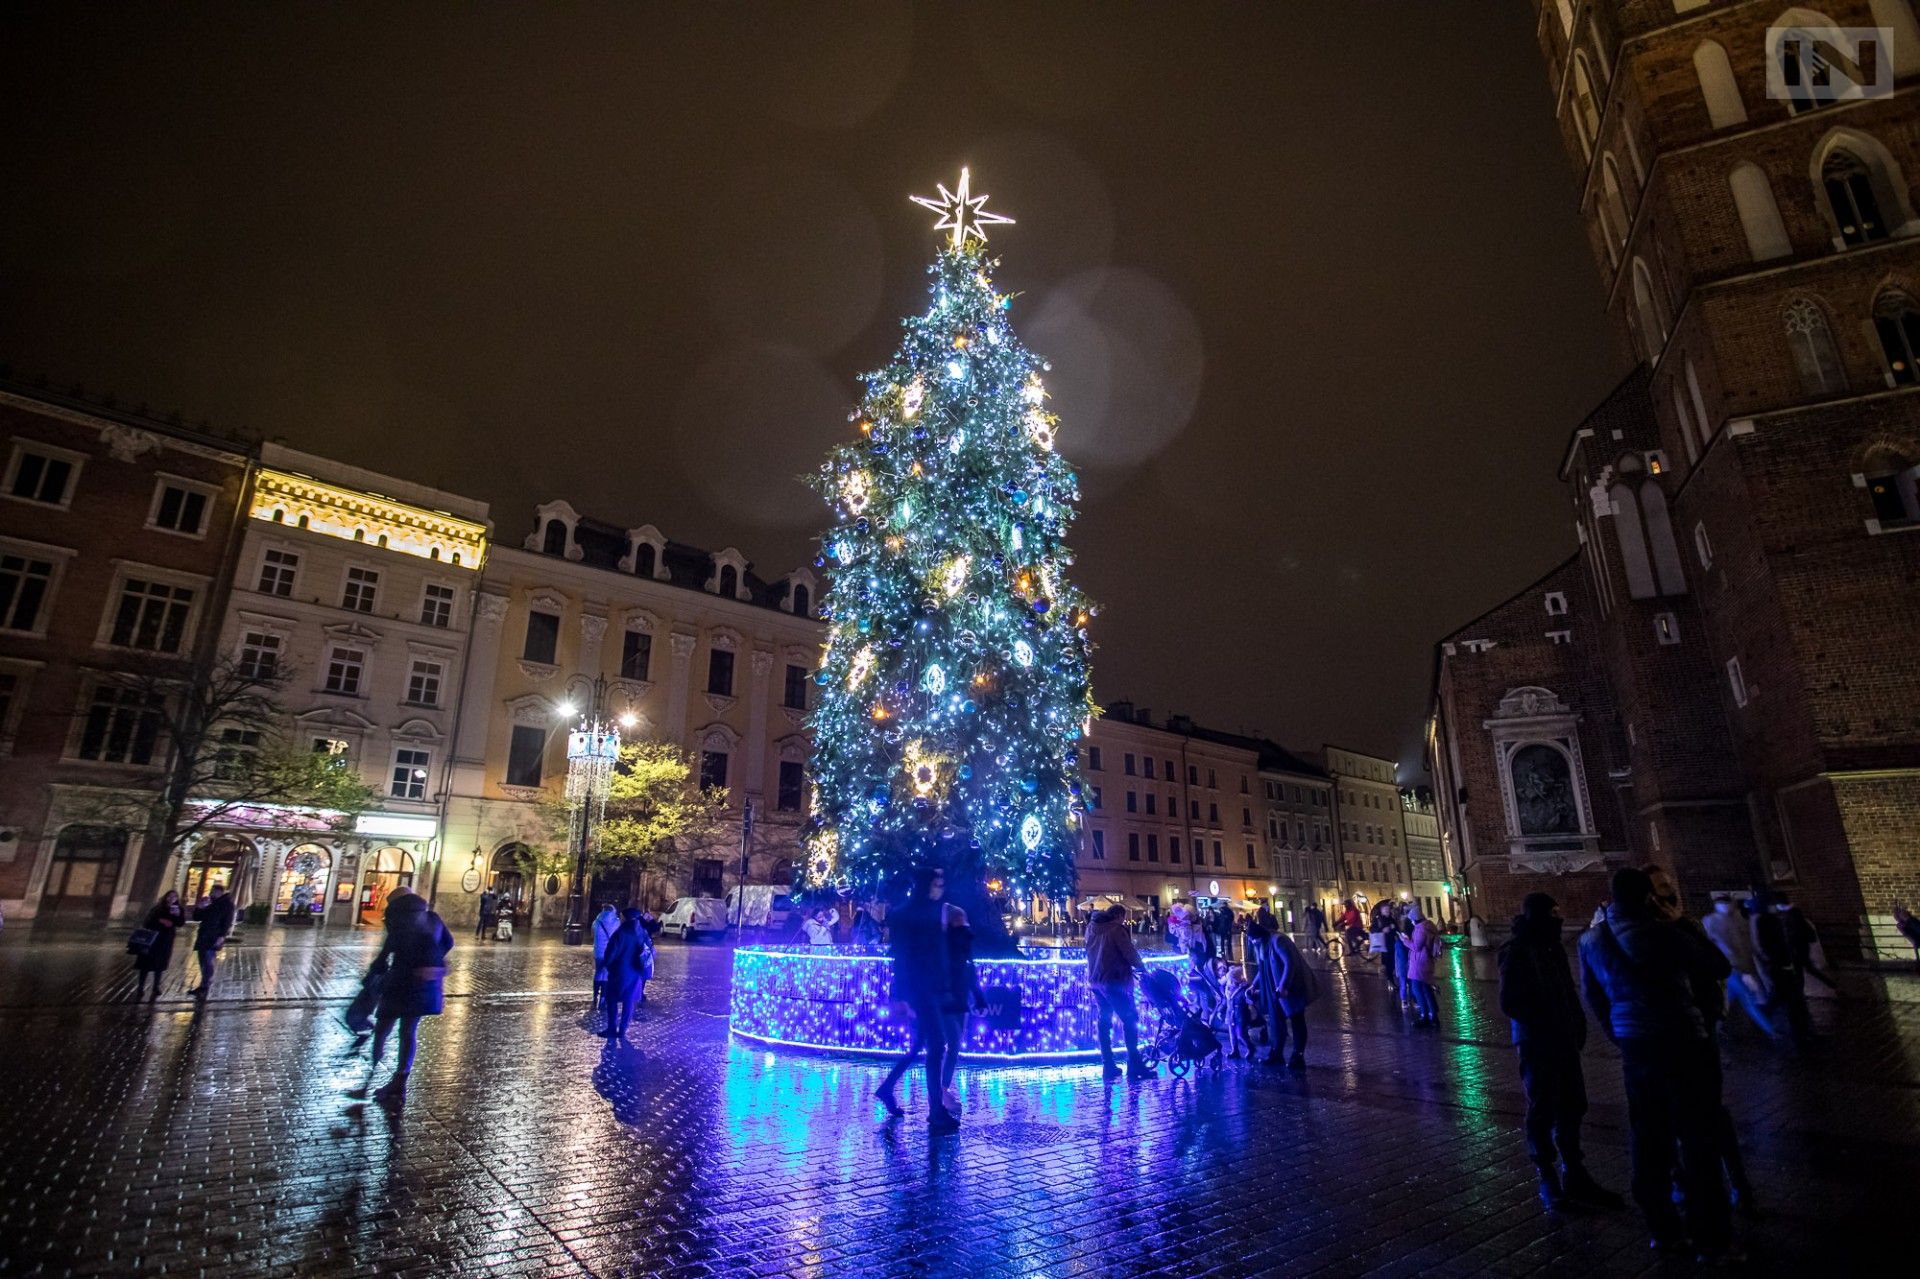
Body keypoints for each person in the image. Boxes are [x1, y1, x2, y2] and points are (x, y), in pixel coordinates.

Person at [1581, 868, 1734, 1261]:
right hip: (1683, 1041)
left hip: (1636, 1047)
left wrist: (1618, 1033)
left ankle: (1663, 1229)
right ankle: (1712, 1240)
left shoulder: (1592, 939)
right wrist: (1680, 920)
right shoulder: (1665, 932)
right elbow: (1719, 966)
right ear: (1648, 896)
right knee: (1697, 1140)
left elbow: (1594, 996)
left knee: (1648, 1139)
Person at [1498, 893, 1621, 1211]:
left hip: (1563, 1039)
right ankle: (1548, 1178)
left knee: (1573, 1105)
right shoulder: (1517, 950)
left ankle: (1575, 1173)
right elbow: (1510, 1001)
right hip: (1537, 1042)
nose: (1558, 917)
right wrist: (1543, 1021)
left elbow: (1567, 989)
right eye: (1553, 912)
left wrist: (1575, 1023)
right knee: (1542, 1108)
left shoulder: (1551, 947)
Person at [876, 866, 963, 1130]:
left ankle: (888, 1088)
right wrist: (902, 995)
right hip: (921, 990)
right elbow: (902, 956)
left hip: (929, 989)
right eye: (937, 882)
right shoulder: (914, 914)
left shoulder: (924, 912)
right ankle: (936, 1110)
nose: (941, 887)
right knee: (936, 1045)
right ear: (927, 884)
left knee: (922, 1046)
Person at [353, 890, 453, 1106]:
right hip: (424, 985)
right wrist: (434, 959)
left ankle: (368, 1080)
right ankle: (400, 1080)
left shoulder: (398, 919)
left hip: (400, 982)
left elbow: (386, 952)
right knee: (408, 1032)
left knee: (382, 1031)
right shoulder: (431, 917)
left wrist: (375, 973)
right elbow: (448, 942)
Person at [1085, 903, 1154, 1081]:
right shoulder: (1116, 930)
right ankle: (1135, 1064)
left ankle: (1108, 1065)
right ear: (1118, 916)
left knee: (1104, 1021)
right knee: (1130, 1019)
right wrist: (1142, 968)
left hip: (1096, 981)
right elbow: (1129, 953)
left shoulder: (1091, 928)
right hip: (1115, 982)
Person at [1247, 904, 1314, 1071]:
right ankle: (1276, 1052)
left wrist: (1284, 985)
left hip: (1291, 987)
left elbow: (1289, 963)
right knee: (1276, 1021)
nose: (1253, 944)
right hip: (1275, 990)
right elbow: (1263, 968)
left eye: (1254, 941)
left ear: (1260, 936)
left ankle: (1298, 1055)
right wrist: (1253, 985)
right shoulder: (1262, 945)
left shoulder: (1278, 941)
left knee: (1297, 1018)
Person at [937, 899, 984, 1114]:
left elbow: (970, 969)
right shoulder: (944, 943)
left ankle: (942, 1089)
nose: (962, 921)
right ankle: (941, 1091)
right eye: (958, 918)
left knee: (954, 1047)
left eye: (962, 918)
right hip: (947, 999)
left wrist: (978, 995)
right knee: (952, 1044)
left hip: (961, 999)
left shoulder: (965, 941)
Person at [1701, 895, 1770, 1036]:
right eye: (1722, 903)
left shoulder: (1737, 919)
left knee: (1728, 999)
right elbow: (1710, 944)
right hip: (1730, 966)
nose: (1726, 906)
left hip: (1742, 966)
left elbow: (1746, 942)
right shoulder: (1711, 921)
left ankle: (1713, 1028)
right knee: (1747, 997)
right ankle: (1771, 1031)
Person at [1750, 886, 1811, 1044]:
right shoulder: (1764, 920)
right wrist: (1772, 961)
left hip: (1781, 963)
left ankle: (1800, 1029)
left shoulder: (1770, 919)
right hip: (1778, 965)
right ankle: (1799, 1030)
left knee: (1787, 997)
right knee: (1786, 997)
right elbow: (1763, 944)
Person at [600, 908, 651, 1037]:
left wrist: (608, 964)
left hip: (619, 973)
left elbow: (610, 955)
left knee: (612, 1000)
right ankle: (622, 1030)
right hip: (635, 973)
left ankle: (612, 1028)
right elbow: (651, 951)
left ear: (625, 918)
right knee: (629, 1001)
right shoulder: (643, 933)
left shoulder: (620, 933)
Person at [1777, 893, 1837, 994]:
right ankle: (1831, 985)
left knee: (1800, 971)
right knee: (1806, 970)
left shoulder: (1790, 914)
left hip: (1797, 947)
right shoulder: (1793, 912)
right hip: (1800, 947)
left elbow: (1794, 932)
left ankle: (1800, 992)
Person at [133, 891, 186, 1000]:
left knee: (160, 964)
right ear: (166, 897)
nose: (172, 898)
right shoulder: (158, 908)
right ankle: (141, 987)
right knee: (145, 964)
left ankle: (156, 986)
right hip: (153, 939)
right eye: (170, 896)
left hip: (166, 940)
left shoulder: (178, 909)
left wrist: (177, 916)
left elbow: (180, 923)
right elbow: (147, 922)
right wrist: (160, 921)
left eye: (175, 897)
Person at [188, 884, 236, 998]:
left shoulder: (227, 904)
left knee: (208, 962)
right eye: (211, 891)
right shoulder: (212, 903)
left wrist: (221, 936)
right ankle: (204, 984)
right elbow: (197, 917)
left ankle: (205, 986)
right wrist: (199, 907)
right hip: (204, 936)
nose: (211, 893)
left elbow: (227, 922)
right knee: (203, 961)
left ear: (219, 892)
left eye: (213, 891)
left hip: (212, 937)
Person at [1405, 902, 1442, 1027]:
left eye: (1411, 920)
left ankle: (1424, 1015)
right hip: (1426, 962)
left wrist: (1404, 940)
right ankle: (1434, 1016)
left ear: (1415, 919)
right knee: (1426, 989)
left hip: (1420, 963)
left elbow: (1416, 947)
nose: (1411, 922)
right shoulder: (1429, 925)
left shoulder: (1421, 929)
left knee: (1417, 989)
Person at [591, 903, 621, 1013]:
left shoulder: (596, 922)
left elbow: (592, 934)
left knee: (598, 973)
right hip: (611, 953)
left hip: (598, 952)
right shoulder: (616, 922)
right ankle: (603, 999)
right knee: (606, 975)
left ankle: (594, 997)